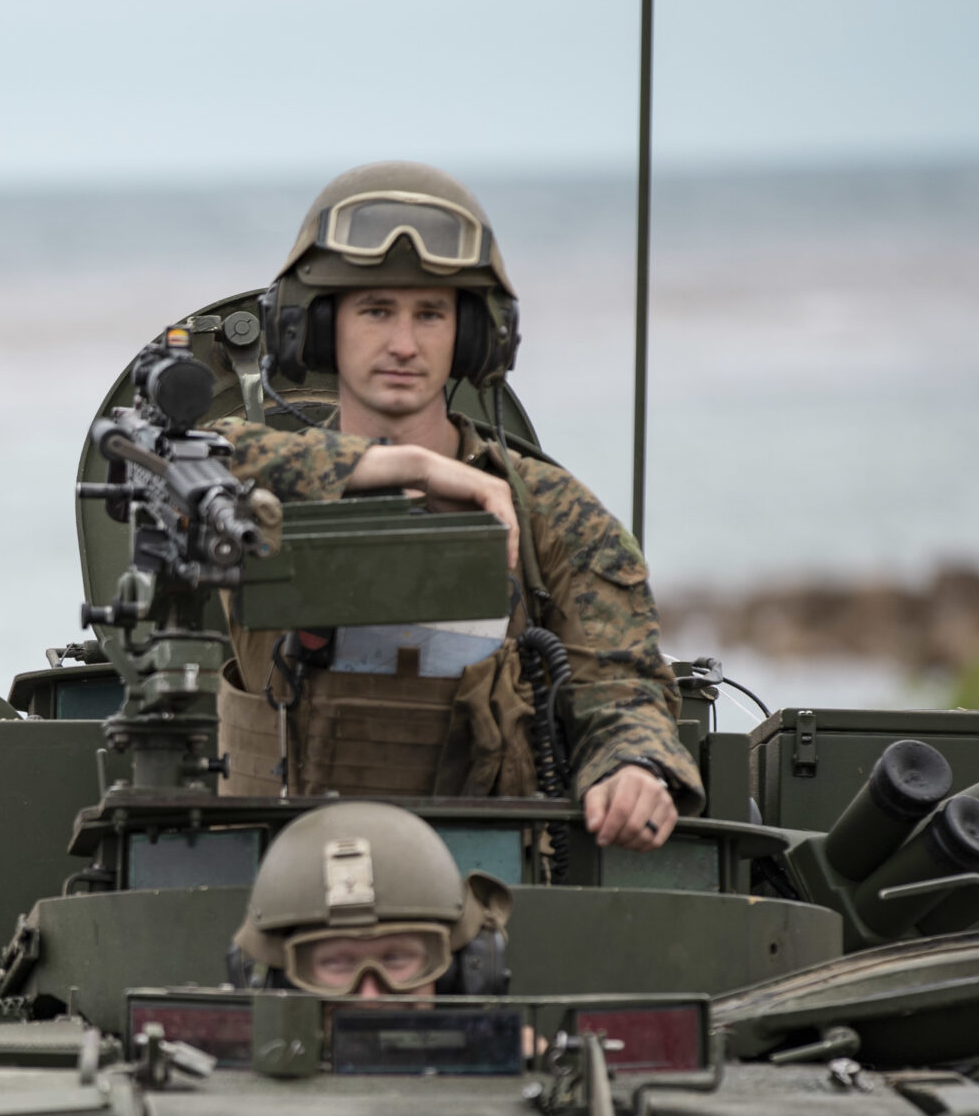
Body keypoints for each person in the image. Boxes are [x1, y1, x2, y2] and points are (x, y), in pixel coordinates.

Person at [211, 161, 700, 853]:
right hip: (281, 877)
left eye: (431, 314)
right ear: (318, 328)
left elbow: (622, 681)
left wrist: (631, 764)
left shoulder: (546, 510)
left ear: (474, 337)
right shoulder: (254, 491)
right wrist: (392, 467)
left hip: (484, 878)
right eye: (376, 309)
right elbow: (158, 462)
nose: (404, 344)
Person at [230, 802, 511, 998]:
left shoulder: (516, 1077)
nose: (369, 997)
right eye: (337, 963)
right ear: (280, 983)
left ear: (456, 972)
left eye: (396, 959)